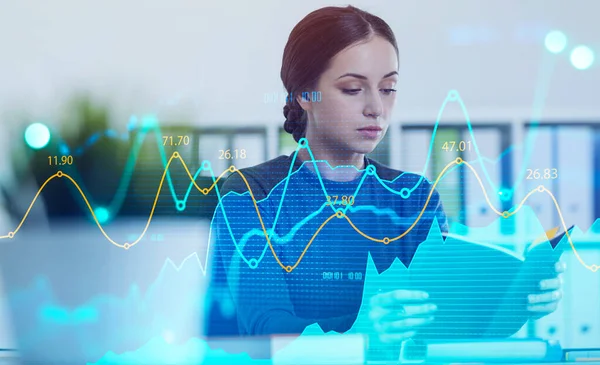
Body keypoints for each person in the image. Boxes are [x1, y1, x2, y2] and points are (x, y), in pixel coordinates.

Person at [208, 5, 564, 347]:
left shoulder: (413, 197)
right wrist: (364, 328)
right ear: (305, 94)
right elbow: (266, 329)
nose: (376, 108)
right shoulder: (250, 193)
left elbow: (448, 324)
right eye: (352, 89)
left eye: (388, 88)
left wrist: (516, 304)